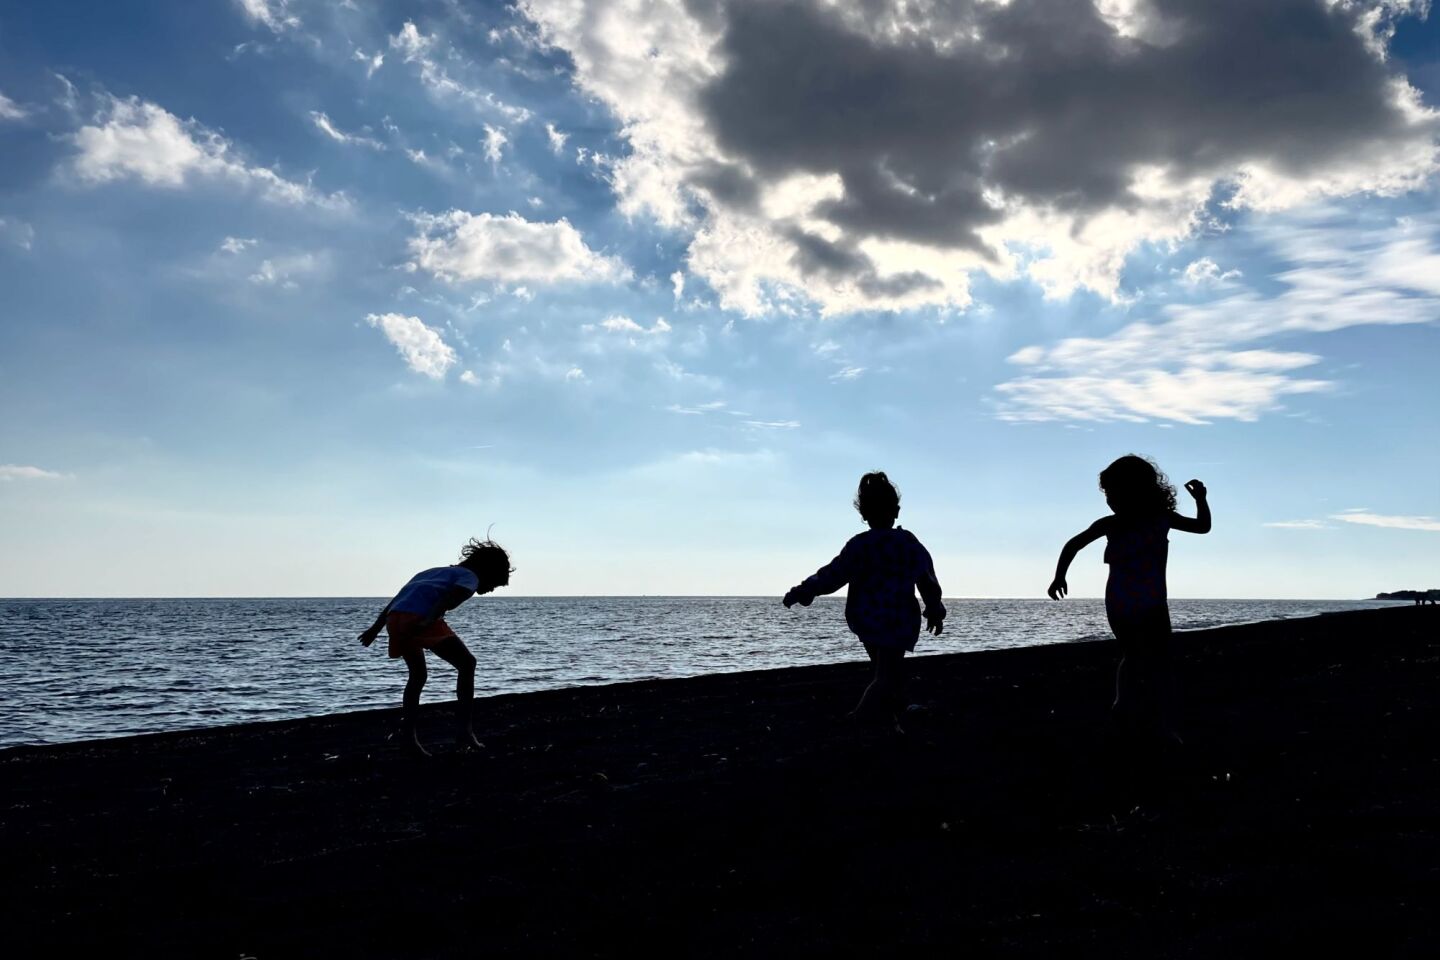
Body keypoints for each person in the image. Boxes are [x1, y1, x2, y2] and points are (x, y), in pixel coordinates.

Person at [1047, 455, 1210, 744]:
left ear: (1138, 490)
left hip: (1148, 601)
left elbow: (1201, 527)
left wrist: (1201, 499)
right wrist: (1059, 576)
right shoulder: (1113, 523)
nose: (1110, 499)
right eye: (1108, 493)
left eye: (1114, 491)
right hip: (1126, 601)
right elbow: (1073, 544)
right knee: (1142, 657)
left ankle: (1143, 716)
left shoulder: (1160, 519)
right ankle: (1132, 711)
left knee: (1147, 659)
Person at [783, 472, 945, 731]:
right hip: (897, 620)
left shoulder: (860, 545)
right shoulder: (906, 543)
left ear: (864, 514)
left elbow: (832, 575)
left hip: (867, 619)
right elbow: (926, 579)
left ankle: (892, 718)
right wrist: (934, 607)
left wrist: (805, 591)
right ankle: (858, 719)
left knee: (885, 674)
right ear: (897, 511)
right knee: (886, 675)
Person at [359, 538, 513, 756]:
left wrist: (375, 629)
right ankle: (464, 732)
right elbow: (448, 600)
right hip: (421, 618)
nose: (490, 590)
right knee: (467, 664)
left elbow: (397, 600)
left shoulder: (430, 572)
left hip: (395, 619)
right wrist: (428, 620)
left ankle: (409, 739)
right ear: (489, 571)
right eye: (494, 584)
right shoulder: (470, 577)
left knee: (417, 676)